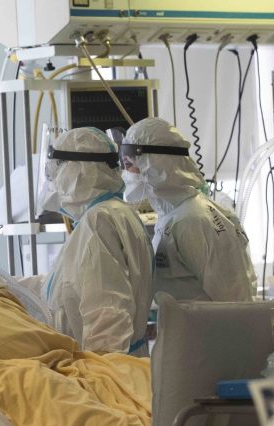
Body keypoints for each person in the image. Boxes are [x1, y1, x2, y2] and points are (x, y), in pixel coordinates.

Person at [39, 127, 153, 354]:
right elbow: (71, 283)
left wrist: (100, 372)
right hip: (115, 364)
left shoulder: (99, 222)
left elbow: (107, 318)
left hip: (104, 366)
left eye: (58, 168)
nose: (53, 180)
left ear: (79, 170)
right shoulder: (114, 213)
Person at [120, 117, 256, 302]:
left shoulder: (195, 219)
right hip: (181, 322)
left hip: (206, 323)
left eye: (130, 165)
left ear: (156, 163)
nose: (127, 173)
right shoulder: (172, 215)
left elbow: (236, 302)